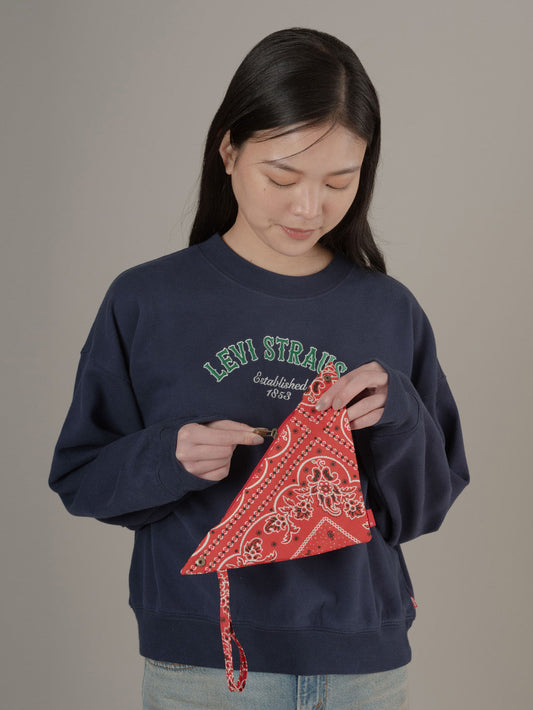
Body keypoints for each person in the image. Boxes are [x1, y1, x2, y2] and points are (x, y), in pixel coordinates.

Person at [49, 27, 469, 710]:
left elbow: (421, 509)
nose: (309, 207)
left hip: (361, 667)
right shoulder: (147, 299)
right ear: (228, 151)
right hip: (204, 668)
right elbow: (80, 478)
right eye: (282, 177)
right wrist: (169, 455)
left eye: (340, 181)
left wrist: (399, 417)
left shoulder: (389, 309)